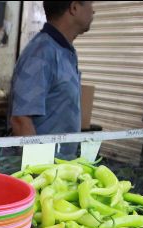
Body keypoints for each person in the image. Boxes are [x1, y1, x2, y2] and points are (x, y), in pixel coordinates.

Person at [10, 1, 95, 138]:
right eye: (90, 4)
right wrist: (37, 153)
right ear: (74, 8)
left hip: (61, 153)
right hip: (42, 153)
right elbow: (21, 121)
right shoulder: (41, 54)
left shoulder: (65, 51)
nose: (93, 11)